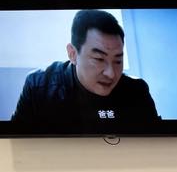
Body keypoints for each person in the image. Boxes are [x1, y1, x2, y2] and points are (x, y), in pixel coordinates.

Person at [10, 9, 159, 132]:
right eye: (99, 59)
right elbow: (16, 141)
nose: (111, 74)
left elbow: (156, 142)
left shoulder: (137, 92)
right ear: (72, 54)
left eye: (118, 61)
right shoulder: (39, 87)